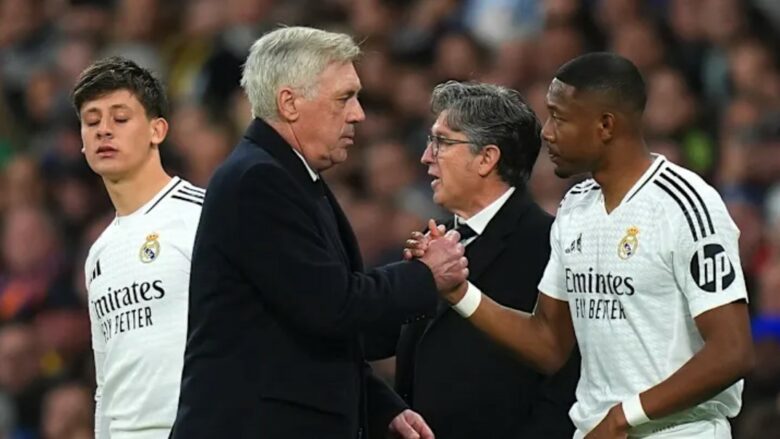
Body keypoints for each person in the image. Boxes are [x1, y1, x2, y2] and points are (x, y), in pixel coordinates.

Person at [407, 53, 754, 438]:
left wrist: (623, 417)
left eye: (559, 117)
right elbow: (548, 343)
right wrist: (458, 292)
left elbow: (732, 351)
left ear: (605, 125)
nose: (546, 132)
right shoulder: (575, 207)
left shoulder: (686, 205)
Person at [170, 26, 468, 439]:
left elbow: (298, 330)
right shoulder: (258, 181)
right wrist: (425, 275)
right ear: (289, 103)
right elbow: (332, 306)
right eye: (344, 98)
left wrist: (381, 407)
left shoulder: (288, 176)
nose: (358, 114)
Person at [371, 80, 578, 438]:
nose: (426, 156)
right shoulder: (431, 239)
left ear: (486, 158)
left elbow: (563, 387)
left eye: (442, 142)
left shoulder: (548, 245)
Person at [73, 56, 204, 438]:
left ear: (157, 130)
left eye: (120, 118)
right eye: (92, 121)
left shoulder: (204, 216)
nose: (103, 130)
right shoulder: (99, 253)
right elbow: (106, 382)